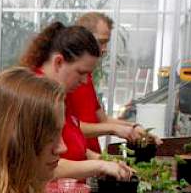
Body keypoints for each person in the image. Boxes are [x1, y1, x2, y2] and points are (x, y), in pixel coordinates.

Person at [20, 21, 133, 182]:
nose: (85, 81)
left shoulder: (62, 94)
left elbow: (73, 140)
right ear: (58, 62)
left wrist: (99, 158)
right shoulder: (33, 98)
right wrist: (99, 166)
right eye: (80, 72)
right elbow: (41, 164)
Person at [73, 11, 161, 153]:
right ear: (82, 37)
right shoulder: (68, 80)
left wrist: (134, 128)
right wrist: (115, 129)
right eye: (101, 42)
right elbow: (69, 127)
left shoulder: (86, 77)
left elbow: (102, 119)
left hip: (90, 159)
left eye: (106, 43)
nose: (104, 49)